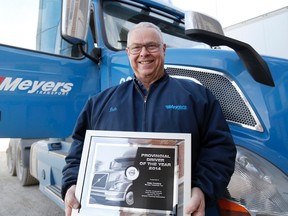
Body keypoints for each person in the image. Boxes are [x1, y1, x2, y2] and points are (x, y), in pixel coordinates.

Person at [62, 22, 236, 216]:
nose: (144, 53)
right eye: (136, 47)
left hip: (181, 209)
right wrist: (72, 184)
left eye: (151, 46)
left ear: (163, 50)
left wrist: (201, 189)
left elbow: (220, 148)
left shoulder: (197, 96)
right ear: (128, 53)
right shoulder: (100, 103)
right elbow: (80, 148)